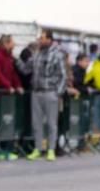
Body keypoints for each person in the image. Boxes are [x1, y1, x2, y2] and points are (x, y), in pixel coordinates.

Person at [20, 28, 66, 161]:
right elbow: (26, 69)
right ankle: (38, 148)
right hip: (36, 91)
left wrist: (58, 92)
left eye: (42, 38)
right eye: (40, 38)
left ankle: (51, 149)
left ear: (49, 40)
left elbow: (62, 75)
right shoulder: (36, 54)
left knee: (51, 122)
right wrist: (15, 61)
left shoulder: (57, 54)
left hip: (50, 91)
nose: (40, 40)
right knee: (36, 122)